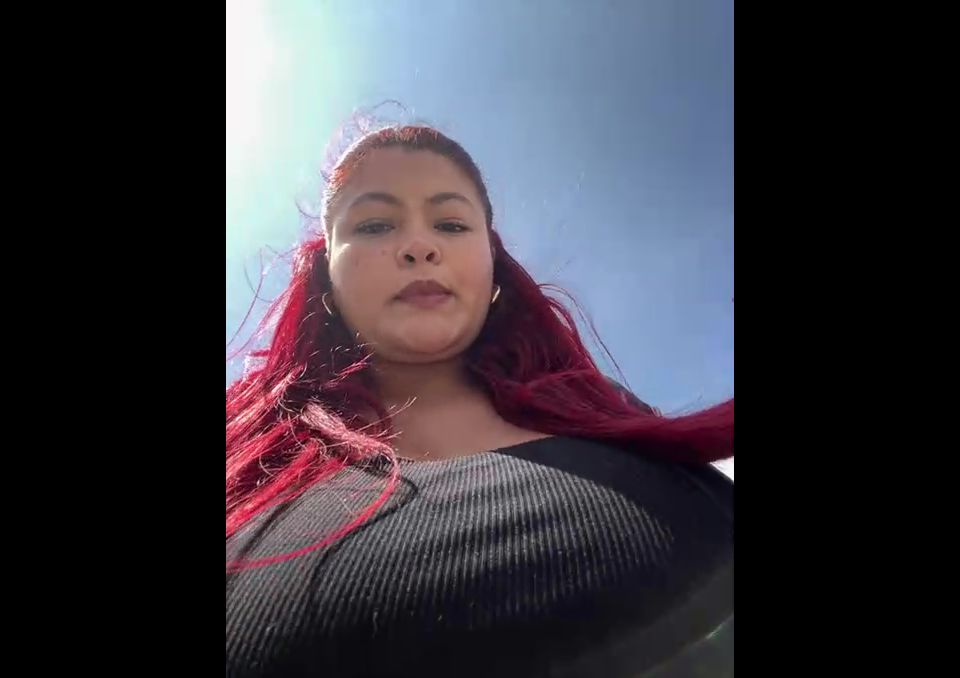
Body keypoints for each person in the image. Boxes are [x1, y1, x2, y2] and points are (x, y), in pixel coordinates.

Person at [226, 124, 734, 678]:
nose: (420, 246)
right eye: (374, 225)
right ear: (326, 271)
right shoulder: (243, 451)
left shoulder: (608, 413)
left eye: (451, 224)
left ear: (492, 263)